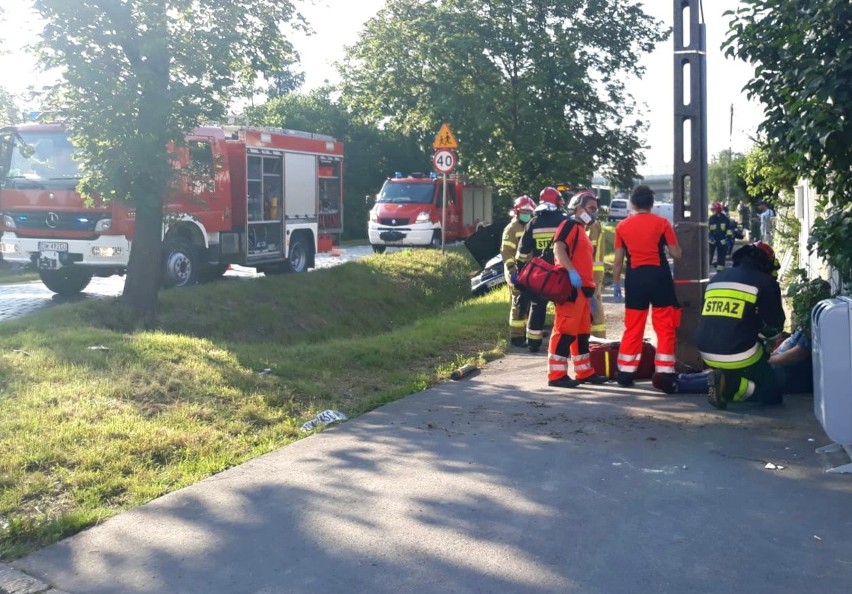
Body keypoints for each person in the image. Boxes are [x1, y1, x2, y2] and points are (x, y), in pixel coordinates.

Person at [696, 242, 786, 409]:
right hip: (740, 354)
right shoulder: (765, 282)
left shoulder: (716, 279)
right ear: (765, 262)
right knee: (773, 393)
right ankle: (730, 384)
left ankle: (723, 380)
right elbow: (774, 325)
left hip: (705, 351)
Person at [611, 185, 683, 393]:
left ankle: (625, 373)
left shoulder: (622, 227)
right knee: (665, 327)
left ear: (632, 203)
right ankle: (664, 373)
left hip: (635, 280)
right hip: (659, 278)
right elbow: (676, 254)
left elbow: (618, 261)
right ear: (651, 204)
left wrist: (616, 283)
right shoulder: (662, 223)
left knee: (633, 327)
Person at [546, 190, 608, 387]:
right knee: (564, 331)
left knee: (581, 334)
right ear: (578, 208)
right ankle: (556, 376)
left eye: (595, 210)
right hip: (571, 289)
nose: (593, 213)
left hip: (583, 290)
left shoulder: (581, 230)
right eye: (590, 209)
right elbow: (558, 248)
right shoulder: (570, 225)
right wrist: (571, 271)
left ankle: (584, 372)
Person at [516, 187, 568, 352]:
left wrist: (521, 274)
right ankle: (563, 344)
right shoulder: (565, 221)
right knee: (564, 309)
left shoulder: (533, 222)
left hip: (540, 276)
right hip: (561, 274)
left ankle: (533, 342)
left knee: (537, 306)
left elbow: (522, 254)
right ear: (558, 202)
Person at [501, 195, 537, 347]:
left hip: (530, 271)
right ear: (517, 212)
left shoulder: (532, 225)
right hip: (516, 271)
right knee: (518, 303)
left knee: (529, 303)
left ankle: (527, 332)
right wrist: (511, 269)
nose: (526, 215)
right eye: (523, 212)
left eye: (529, 212)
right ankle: (516, 337)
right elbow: (506, 251)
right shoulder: (512, 228)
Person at [586, 205, 607, 338]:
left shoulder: (591, 225)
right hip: (595, 270)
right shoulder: (595, 224)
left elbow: (588, 247)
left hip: (590, 270)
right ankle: (597, 336)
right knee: (594, 300)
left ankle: (597, 337)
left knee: (592, 302)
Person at [708, 201, 733, 272]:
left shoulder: (725, 218)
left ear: (718, 209)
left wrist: (728, 239)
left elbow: (729, 229)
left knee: (721, 256)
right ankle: (707, 269)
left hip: (722, 240)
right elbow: (708, 229)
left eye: (713, 209)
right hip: (712, 240)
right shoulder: (711, 218)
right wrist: (710, 236)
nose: (712, 211)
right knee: (709, 255)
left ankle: (720, 271)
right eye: (712, 210)